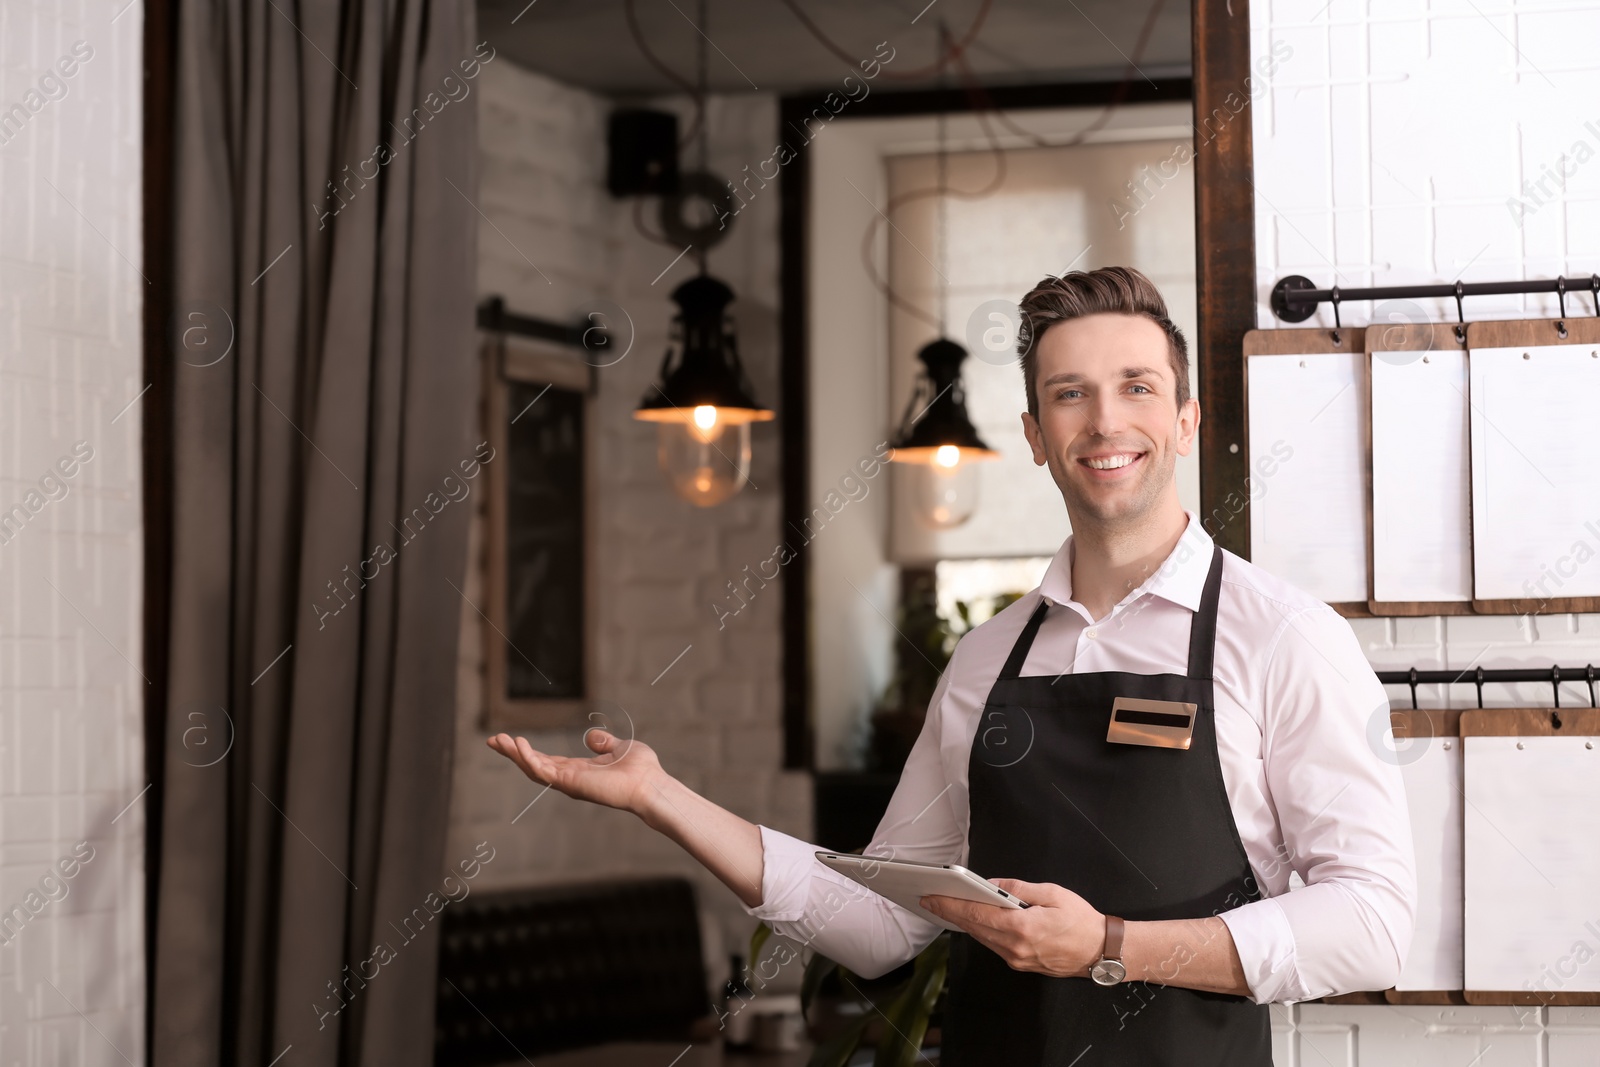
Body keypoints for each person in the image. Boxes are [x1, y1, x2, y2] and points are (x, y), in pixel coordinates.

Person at [488, 266, 1417, 1066]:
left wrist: (1109, 945)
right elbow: (884, 917)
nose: (1104, 421)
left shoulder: (1283, 637)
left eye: (1136, 387)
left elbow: (1373, 926)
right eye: (1069, 393)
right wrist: (660, 797)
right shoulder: (986, 659)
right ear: (1034, 433)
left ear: (1184, 419)